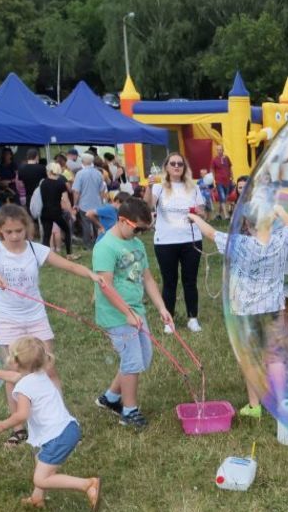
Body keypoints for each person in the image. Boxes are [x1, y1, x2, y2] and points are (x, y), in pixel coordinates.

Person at [0, 204, 101, 446]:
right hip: (7, 318)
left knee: (48, 368)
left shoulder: (35, 249)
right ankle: (19, 427)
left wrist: (91, 275)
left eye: (19, 230)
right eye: (8, 232)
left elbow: (69, 265)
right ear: (0, 231)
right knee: (14, 374)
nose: (14, 236)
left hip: (35, 316)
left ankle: (59, 422)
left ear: (27, 228)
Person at [189, 204, 288, 416]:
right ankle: (282, 403)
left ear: (246, 223)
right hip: (273, 308)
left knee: (249, 358)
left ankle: (255, 405)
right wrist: (279, 211)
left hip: (246, 312)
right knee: (275, 357)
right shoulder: (281, 240)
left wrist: (194, 218)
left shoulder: (239, 244)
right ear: (270, 222)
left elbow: (210, 233)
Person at [0, 337, 99, 511]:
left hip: (58, 436)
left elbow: (22, 414)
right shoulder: (38, 375)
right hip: (67, 429)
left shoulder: (25, 387)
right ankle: (37, 498)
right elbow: (14, 376)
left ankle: (87, 484)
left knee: (41, 478)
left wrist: (4, 424)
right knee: (41, 461)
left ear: (15, 362)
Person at [93, 196, 174, 431]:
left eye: (144, 230)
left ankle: (110, 398)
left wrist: (161, 307)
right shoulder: (105, 247)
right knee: (132, 361)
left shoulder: (136, 245)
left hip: (136, 311)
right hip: (117, 314)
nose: (139, 234)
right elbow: (105, 285)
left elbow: (147, 278)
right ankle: (129, 411)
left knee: (143, 359)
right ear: (122, 221)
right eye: (137, 228)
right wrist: (126, 313)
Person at [146, 153, 204, 333]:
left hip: (191, 239)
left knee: (190, 281)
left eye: (180, 164)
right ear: (167, 167)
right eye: (173, 163)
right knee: (169, 281)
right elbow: (148, 206)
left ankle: (192, 318)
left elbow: (202, 212)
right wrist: (148, 188)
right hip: (165, 241)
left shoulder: (193, 188)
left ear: (184, 167)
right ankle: (168, 320)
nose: (177, 166)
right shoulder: (158, 187)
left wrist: (198, 214)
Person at [38, 162, 75, 254]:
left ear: (49, 171)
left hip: (45, 211)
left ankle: (43, 255)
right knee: (66, 230)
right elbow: (65, 200)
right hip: (56, 211)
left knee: (46, 235)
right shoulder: (60, 183)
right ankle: (69, 253)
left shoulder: (43, 183)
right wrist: (71, 212)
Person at [71, 152, 107, 243]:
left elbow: (76, 191)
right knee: (96, 223)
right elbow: (102, 189)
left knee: (85, 224)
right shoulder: (98, 173)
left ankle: (87, 243)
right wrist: (101, 201)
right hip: (97, 203)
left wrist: (75, 203)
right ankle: (98, 241)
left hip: (84, 203)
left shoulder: (80, 174)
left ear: (82, 161)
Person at [210, 143, 233, 219]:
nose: (219, 151)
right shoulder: (214, 160)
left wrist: (232, 177)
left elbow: (230, 168)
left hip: (227, 181)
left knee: (224, 198)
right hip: (219, 181)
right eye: (218, 150)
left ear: (223, 150)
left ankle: (218, 214)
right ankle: (226, 215)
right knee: (222, 197)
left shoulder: (227, 158)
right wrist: (213, 180)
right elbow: (212, 170)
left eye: (220, 150)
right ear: (216, 151)